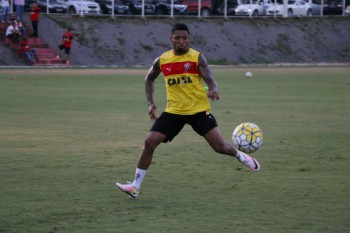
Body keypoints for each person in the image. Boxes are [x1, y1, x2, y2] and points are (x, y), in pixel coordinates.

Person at [116, 23, 261, 199]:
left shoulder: (197, 58)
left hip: (198, 110)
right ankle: (135, 186)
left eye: (184, 37)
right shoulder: (163, 60)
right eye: (177, 38)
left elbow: (210, 78)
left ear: (189, 38)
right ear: (171, 39)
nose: (181, 41)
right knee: (150, 141)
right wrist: (150, 103)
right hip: (174, 111)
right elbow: (149, 78)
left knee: (220, 147)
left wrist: (214, 89)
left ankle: (240, 156)